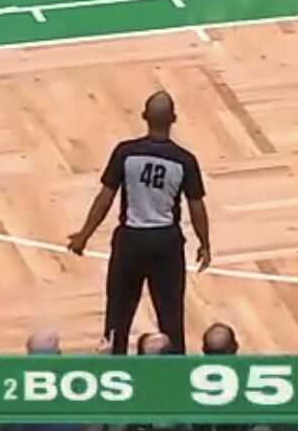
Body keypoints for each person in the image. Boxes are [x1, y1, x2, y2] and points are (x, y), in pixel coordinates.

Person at [66, 90, 212, 354]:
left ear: (144, 116)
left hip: (130, 241)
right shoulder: (184, 160)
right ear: (174, 119)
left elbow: (105, 198)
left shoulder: (126, 153)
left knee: (117, 315)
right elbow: (196, 207)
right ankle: (174, 368)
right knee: (170, 316)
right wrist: (204, 244)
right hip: (166, 243)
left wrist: (84, 235)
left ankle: (114, 366)